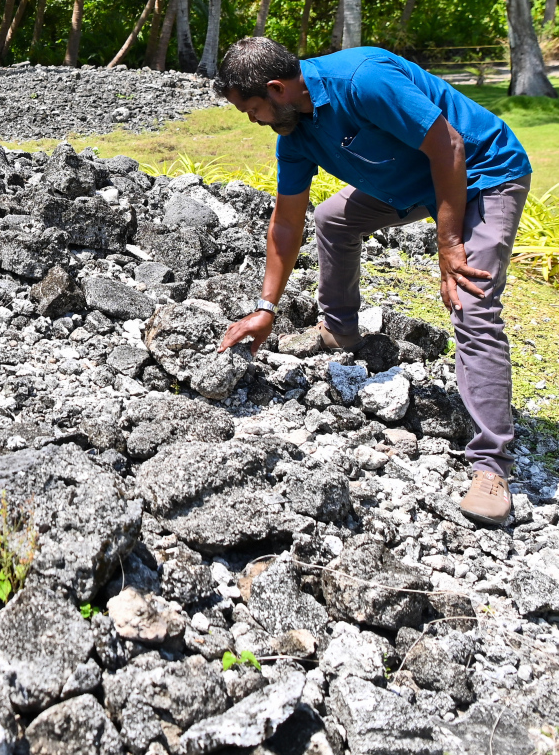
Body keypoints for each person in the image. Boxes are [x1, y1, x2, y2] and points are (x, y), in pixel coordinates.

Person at [212, 37, 532, 528]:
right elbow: (286, 223)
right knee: (333, 217)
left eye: (252, 109)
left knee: (470, 300)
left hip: (482, 173)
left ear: (277, 89)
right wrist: (266, 308)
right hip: (415, 182)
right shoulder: (295, 134)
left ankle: (492, 466)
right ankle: (339, 329)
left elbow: (449, 146)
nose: (253, 120)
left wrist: (449, 244)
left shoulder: (363, 80)